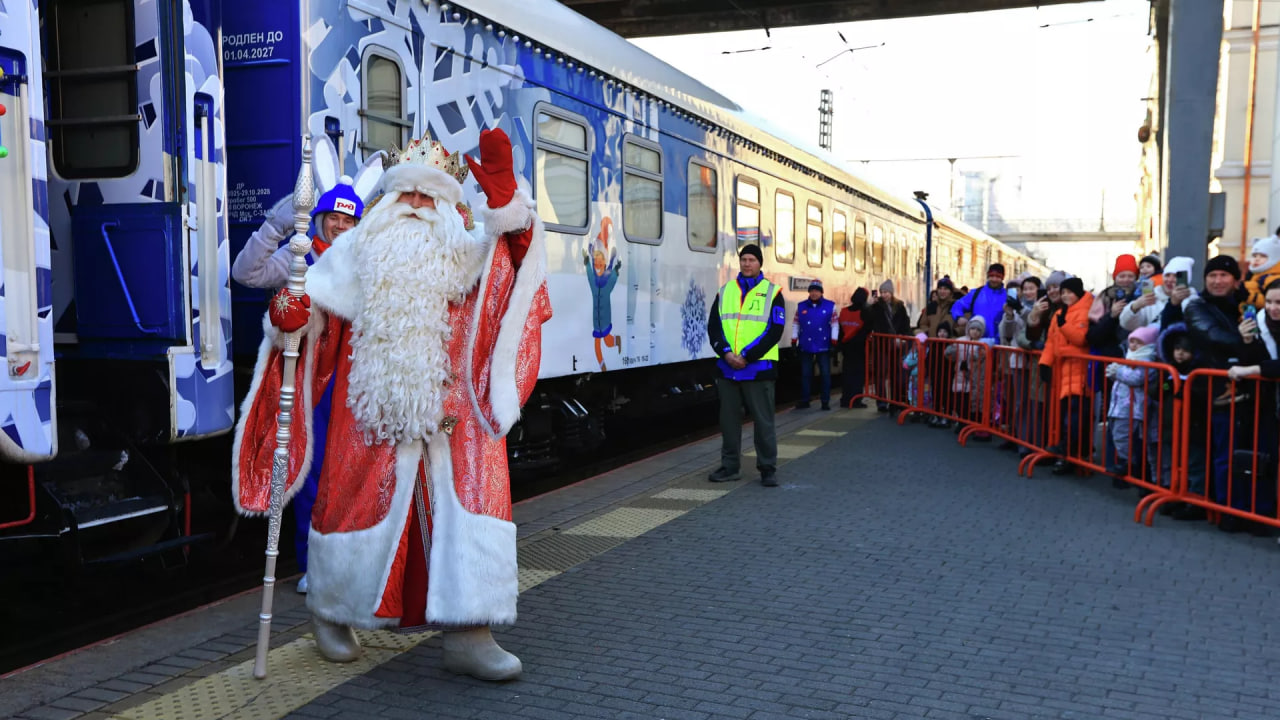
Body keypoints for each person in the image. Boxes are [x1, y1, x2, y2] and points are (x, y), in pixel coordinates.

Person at [232, 128, 552, 680]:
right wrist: (292, 319)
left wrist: (511, 213)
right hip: (370, 422)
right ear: (386, 200)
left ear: (450, 206)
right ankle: (330, 613)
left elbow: (519, 286)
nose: (418, 206)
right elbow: (312, 322)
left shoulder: (469, 250)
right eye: (407, 195)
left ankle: (471, 633)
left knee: (465, 513)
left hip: (457, 426)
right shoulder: (355, 252)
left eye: (430, 198)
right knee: (352, 508)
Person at [230, 149, 383, 595]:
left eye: (348, 219)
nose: (340, 225)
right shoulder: (299, 258)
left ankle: (353, 562)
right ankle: (313, 563)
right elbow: (245, 272)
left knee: (352, 472)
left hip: (354, 383)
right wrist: (276, 225)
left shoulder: (363, 265)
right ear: (320, 218)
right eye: (334, 217)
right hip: (309, 380)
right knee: (309, 473)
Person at [707, 243, 785, 487]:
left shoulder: (773, 292)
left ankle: (767, 468)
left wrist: (747, 356)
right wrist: (727, 353)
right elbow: (714, 327)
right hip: (728, 369)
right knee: (728, 423)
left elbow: (775, 331)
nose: (747, 264)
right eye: (744, 259)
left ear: (760, 263)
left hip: (758, 369)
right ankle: (730, 467)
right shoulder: (725, 291)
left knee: (763, 422)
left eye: (752, 259)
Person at [1039, 277, 1093, 474]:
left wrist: (1064, 325)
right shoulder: (1060, 314)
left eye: (1069, 292)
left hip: (1080, 370)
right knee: (1065, 416)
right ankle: (1066, 456)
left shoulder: (1087, 311)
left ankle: (1073, 454)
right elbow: (1051, 343)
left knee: (1075, 416)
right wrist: (1045, 363)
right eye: (1063, 293)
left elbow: (1081, 339)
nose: (1065, 296)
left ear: (1078, 293)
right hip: (1063, 371)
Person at [1104, 324, 1159, 480]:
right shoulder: (1129, 357)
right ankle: (1125, 461)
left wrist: (1117, 371)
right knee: (1117, 434)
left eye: (1138, 342)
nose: (1133, 345)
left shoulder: (1148, 360)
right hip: (1120, 403)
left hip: (1133, 406)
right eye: (1132, 341)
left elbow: (1137, 378)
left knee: (1123, 435)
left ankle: (1128, 461)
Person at [792, 280, 838, 410]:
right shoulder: (801, 307)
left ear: (821, 292)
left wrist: (834, 341)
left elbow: (834, 325)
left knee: (825, 374)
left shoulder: (830, 306)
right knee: (805, 374)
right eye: (812, 291)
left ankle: (825, 401)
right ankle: (805, 400)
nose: (814, 293)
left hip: (823, 344)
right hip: (806, 344)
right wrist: (793, 341)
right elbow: (796, 324)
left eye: (817, 291)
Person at [867, 279, 911, 411]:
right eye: (882, 292)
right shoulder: (876, 306)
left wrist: (903, 337)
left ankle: (895, 400)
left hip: (897, 345)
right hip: (881, 344)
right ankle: (881, 402)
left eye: (886, 292)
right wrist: (868, 305)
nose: (884, 295)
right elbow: (867, 320)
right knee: (881, 373)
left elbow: (905, 324)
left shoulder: (900, 306)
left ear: (891, 293)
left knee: (896, 373)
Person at [1120, 256, 1196, 332]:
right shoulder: (1151, 298)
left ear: (1184, 280)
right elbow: (1126, 324)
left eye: (1175, 276)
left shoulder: (1193, 301)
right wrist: (1135, 307)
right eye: (1167, 275)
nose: (1170, 280)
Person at [951, 264, 1007, 340]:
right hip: (976, 343)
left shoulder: (1007, 296)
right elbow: (958, 305)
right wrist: (958, 317)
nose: (994, 279)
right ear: (988, 276)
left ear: (1002, 277)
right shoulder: (976, 293)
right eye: (992, 276)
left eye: (998, 277)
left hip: (999, 345)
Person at [837, 288, 872, 408]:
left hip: (846, 345)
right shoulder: (865, 312)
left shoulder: (843, 311)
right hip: (859, 347)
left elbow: (840, 329)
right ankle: (856, 400)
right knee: (858, 375)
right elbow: (867, 329)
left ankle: (845, 399)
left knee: (847, 373)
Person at [1240, 234, 1280, 314]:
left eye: (1263, 256)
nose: (1257, 259)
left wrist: (1250, 297)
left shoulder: (1274, 279)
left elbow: (1272, 302)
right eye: (1254, 256)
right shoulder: (1255, 277)